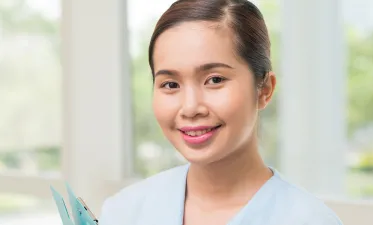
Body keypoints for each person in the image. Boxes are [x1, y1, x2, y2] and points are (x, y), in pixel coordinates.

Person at [99, 0, 343, 224]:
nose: (191, 107)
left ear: (264, 90)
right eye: (170, 84)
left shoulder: (310, 220)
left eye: (214, 79)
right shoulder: (123, 212)